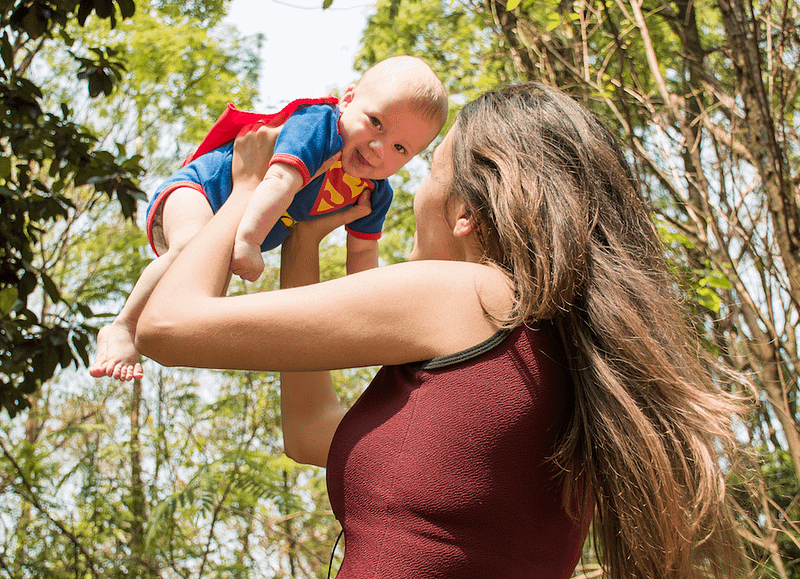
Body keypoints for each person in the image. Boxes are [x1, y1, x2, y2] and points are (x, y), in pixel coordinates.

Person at [135, 82, 745, 578]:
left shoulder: (471, 296)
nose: (408, 189)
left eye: (425, 171)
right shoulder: (559, 358)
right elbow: (309, 432)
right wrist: (305, 240)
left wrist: (246, 188)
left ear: (466, 213)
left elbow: (167, 326)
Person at [89, 55, 448, 381]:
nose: (378, 148)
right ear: (348, 99)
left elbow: (363, 257)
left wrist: (373, 317)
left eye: (400, 148)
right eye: (376, 123)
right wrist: (248, 240)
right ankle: (123, 325)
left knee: (203, 297)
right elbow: (278, 180)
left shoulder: (374, 193)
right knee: (188, 246)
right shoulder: (319, 127)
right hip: (202, 189)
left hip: (234, 224)